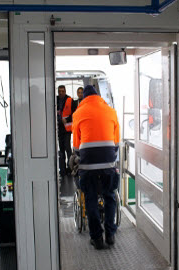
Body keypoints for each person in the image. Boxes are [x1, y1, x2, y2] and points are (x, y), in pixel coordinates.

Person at [72, 85, 120, 250]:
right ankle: (111, 234)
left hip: (88, 164)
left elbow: (77, 146)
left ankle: (97, 238)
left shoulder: (78, 113)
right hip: (108, 163)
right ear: (99, 96)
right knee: (109, 196)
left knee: (90, 199)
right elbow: (116, 142)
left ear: (84, 98)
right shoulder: (111, 111)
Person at [56, 85, 73, 177]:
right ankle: (62, 170)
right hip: (59, 128)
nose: (61, 93)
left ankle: (70, 168)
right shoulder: (55, 100)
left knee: (67, 148)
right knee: (61, 149)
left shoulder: (70, 100)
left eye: (62, 91)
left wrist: (68, 119)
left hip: (67, 128)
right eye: (59, 91)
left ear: (65, 91)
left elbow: (74, 113)